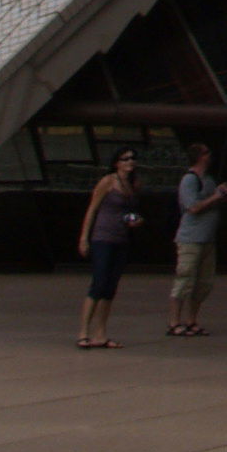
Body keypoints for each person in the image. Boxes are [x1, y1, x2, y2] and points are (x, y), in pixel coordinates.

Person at [78, 148, 147, 348]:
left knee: (110, 287)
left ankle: (101, 333)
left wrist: (136, 221)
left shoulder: (134, 184)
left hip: (121, 238)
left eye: (133, 158)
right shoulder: (108, 181)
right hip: (103, 237)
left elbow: (132, 211)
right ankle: (83, 332)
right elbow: (92, 209)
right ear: (117, 163)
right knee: (98, 284)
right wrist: (84, 238)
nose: (130, 162)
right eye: (125, 159)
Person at [166, 144, 227, 337]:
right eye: (207, 153)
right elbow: (192, 207)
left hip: (207, 239)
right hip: (190, 239)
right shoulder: (189, 180)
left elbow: (211, 201)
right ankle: (174, 322)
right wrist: (215, 197)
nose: (210, 156)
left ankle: (191, 320)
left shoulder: (208, 180)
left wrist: (220, 195)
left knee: (203, 282)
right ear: (200, 157)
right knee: (184, 279)